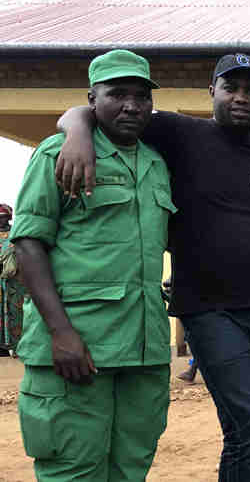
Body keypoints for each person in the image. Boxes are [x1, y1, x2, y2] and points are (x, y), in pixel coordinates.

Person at [55, 53, 250, 481]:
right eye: (230, 88)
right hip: (211, 311)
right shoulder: (181, 132)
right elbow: (96, 109)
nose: (241, 97)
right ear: (212, 92)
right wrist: (74, 130)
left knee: (244, 430)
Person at [11, 49, 173, 480]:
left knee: (130, 467)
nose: (132, 105)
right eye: (117, 94)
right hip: (78, 346)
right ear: (91, 98)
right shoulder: (56, 155)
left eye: (142, 96)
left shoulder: (157, 163)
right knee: (73, 469)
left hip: (143, 350)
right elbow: (28, 244)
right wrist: (60, 333)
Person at [1, 203, 26, 358]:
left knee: (16, 313)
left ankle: (18, 346)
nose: (1, 221)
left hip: (15, 282)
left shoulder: (16, 234)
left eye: (3, 217)